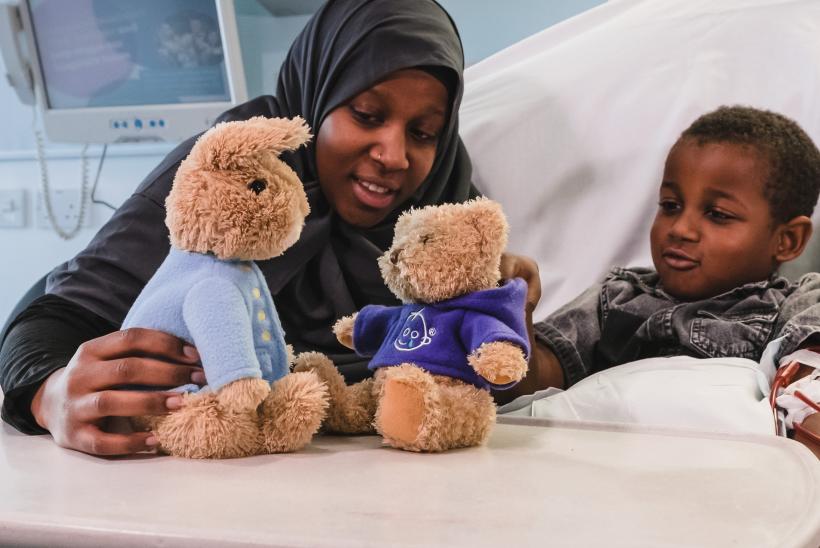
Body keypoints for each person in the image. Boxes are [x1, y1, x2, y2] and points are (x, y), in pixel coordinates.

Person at [0, 0, 541, 457]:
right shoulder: (232, 176)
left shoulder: (443, 208)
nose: (394, 155)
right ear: (318, 97)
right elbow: (52, 320)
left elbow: (472, 365)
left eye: (423, 133)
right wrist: (47, 395)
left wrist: (510, 311)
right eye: (367, 115)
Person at [513, 105, 820, 455]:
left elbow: (806, 403)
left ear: (788, 240)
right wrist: (512, 313)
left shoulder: (795, 308)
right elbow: (525, 390)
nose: (680, 229)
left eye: (717, 215)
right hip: (596, 477)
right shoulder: (615, 300)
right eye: (670, 205)